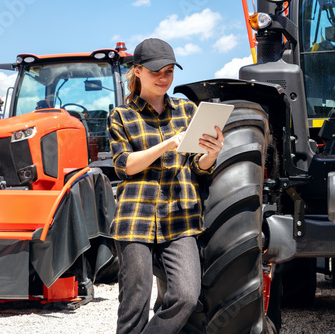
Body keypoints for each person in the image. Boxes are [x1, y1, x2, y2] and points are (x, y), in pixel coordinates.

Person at [107, 38, 224, 334]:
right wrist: (168, 144)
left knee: (186, 296)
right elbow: (125, 165)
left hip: (181, 217)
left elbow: (199, 167)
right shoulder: (120, 116)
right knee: (134, 302)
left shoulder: (186, 110)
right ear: (137, 71)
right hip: (135, 219)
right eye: (157, 71)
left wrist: (212, 153)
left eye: (169, 71)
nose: (164, 78)